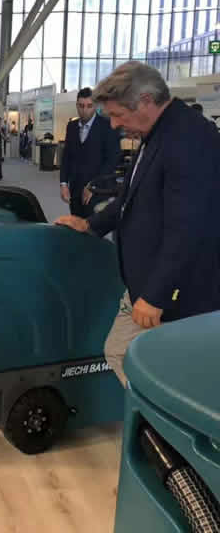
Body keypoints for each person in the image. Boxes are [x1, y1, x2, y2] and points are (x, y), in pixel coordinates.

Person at [55, 61, 220, 387]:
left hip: (178, 294)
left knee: (164, 372)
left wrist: (157, 295)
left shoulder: (188, 139)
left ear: (145, 101)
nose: (115, 125)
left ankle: (166, 417)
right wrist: (91, 224)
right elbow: (130, 197)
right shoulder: (158, 131)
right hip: (146, 283)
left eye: (118, 115)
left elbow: (188, 228)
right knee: (121, 352)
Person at [60, 87, 121, 217]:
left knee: (93, 227)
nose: (85, 110)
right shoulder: (71, 127)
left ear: (95, 106)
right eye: (81, 106)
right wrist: (63, 184)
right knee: (76, 224)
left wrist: (94, 185)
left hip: (99, 191)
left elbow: (112, 160)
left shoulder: (108, 126)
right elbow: (66, 157)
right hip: (75, 190)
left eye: (89, 106)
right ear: (77, 105)